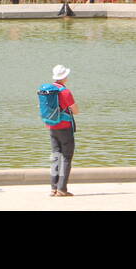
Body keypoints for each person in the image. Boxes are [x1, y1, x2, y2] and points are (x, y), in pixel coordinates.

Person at [40, 65, 78, 197]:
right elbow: (76, 111)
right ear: (64, 77)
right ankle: (62, 189)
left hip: (51, 126)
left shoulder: (46, 91)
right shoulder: (65, 92)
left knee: (56, 156)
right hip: (65, 127)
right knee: (67, 157)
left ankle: (53, 188)